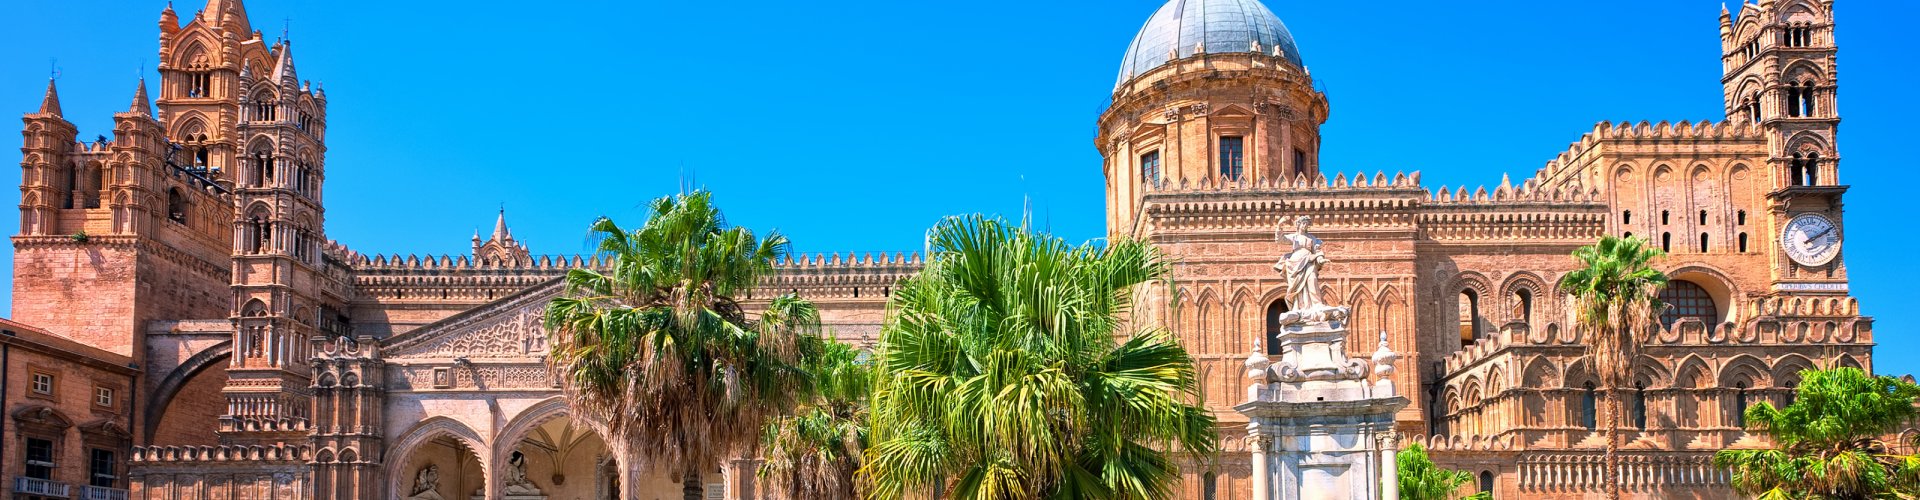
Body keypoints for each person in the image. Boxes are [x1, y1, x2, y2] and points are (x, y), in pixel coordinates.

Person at [1274, 216, 1327, 312]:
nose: (1305, 225)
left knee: (1312, 279)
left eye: (1307, 224)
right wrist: (1280, 226)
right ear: (1298, 224)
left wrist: (1320, 259)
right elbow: (1280, 240)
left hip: (1309, 261)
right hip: (1295, 263)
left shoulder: (1312, 238)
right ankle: (1299, 306)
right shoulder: (1295, 237)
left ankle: (1317, 304)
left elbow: (1317, 250)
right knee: (1296, 287)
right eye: (1304, 223)